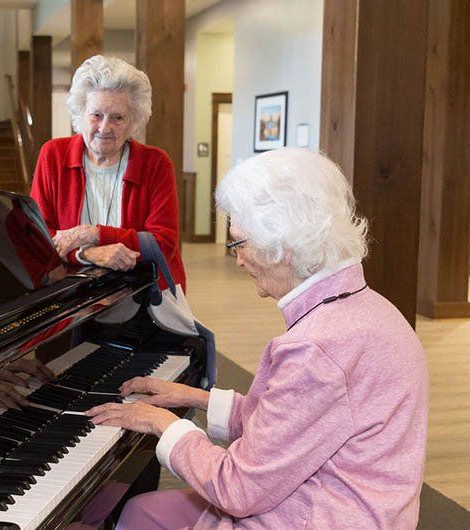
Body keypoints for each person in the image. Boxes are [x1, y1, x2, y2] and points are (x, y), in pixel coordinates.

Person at [86, 148, 429, 529]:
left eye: (239, 243)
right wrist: (194, 398)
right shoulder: (370, 307)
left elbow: (237, 489)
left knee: (137, 514)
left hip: (321, 515)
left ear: (280, 247)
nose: (238, 259)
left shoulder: (317, 347)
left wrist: (164, 424)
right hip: (353, 503)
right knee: (139, 510)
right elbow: (293, 426)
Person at [31, 55, 185, 291]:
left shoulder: (155, 163)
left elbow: (162, 243)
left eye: (118, 117)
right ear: (81, 114)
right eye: (96, 115)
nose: (104, 127)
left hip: (144, 294)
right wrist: (90, 254)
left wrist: (92, 233)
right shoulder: (53, 156)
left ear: (133, 121)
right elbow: (39, 238)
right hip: (72, 293)